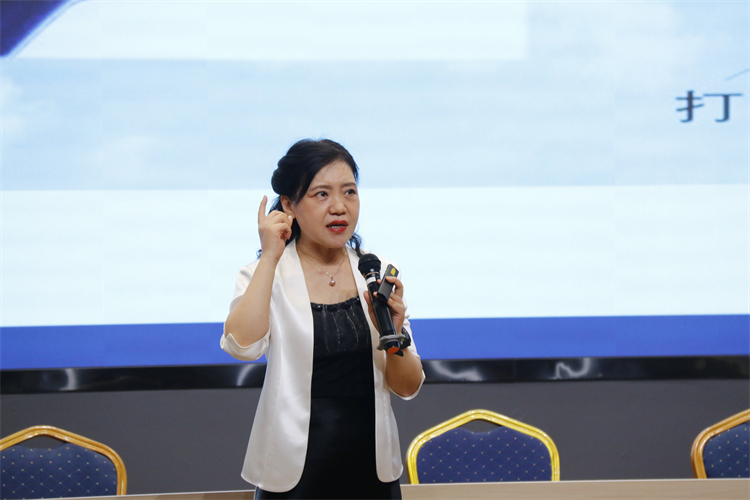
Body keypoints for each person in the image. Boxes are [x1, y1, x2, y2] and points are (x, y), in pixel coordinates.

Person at [222, 139, 425, 499]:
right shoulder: (266, 274)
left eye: (349, 192)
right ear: (289, 205)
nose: (339, 207)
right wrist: (269, 257)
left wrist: (393, 335)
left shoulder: (374, 273)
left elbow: (408, 386)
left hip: (372, 473)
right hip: (293, 475)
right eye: (321, 194)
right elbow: (243, 346)